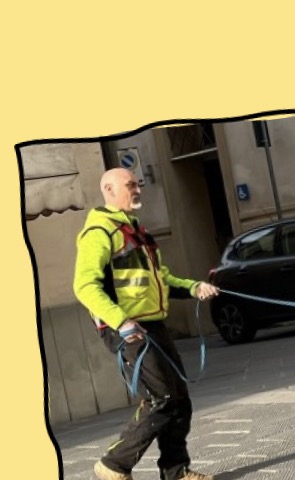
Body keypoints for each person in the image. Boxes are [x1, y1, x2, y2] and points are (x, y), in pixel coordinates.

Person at [73, 168, 220, 480]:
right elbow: (84, 287)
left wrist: (193, 288)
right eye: (130, 185)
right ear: (109, 190)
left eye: (138, 184)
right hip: (127, 329)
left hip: (153, 325)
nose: (137, 189)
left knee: (179, 400)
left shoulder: (137, 229)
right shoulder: (99, 232)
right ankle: (114, 465)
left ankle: (176, 472)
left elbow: (161, 277)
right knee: (160, 399)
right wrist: (121, 321)